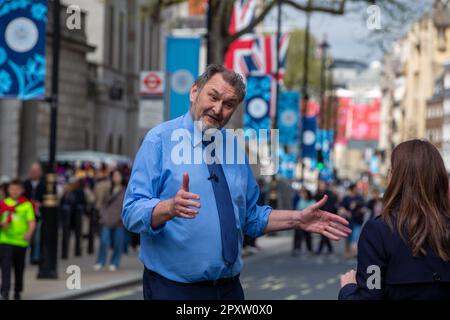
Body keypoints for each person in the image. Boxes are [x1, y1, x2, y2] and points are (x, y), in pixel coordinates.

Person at [122, 64, 351, 300]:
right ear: (194, 92)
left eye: (229, 104)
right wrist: (168, 208)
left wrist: (297, 219)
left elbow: (250, 217)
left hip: (229, 290)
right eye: (213, 96)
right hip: (174, 289)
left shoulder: (233, 147)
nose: (218, 109)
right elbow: (131, 212)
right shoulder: (159, 141)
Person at [339, 139, 450, 300]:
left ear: (398, 178)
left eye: (390, 171)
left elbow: (370, 296)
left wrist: (348, 289)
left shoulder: (379, 231)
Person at [0, 180, 36, 300]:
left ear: (22, 190)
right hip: (5, 240)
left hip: (21, 241)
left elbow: (31, 222)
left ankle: (17, 291)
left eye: (17, 189)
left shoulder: (26, 205)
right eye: (12, 189)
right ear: (8, 190)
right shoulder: (3, 204)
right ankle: (5, 291)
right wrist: (2, 224)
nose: (14, 191)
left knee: (19, 268)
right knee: (5, 267)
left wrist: (29, 233)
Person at [94, 169, 126, 271]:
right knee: (104, 241)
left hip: (119, 222)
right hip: (107, 220)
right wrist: (102, 216)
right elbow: (103, 204)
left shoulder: (125, 191)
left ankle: (114, 262)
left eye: (118, 176)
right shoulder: (108, 190)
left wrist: (122, 218)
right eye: (114, 176)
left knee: (118, 243)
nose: (116, 178)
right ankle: (100, 261)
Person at [23, 163, 45, 265]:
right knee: (28, 236)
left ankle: (35, 257)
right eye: (32, 171)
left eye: (36, 171)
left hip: (39, 213)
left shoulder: (44, 183)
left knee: (37, 237)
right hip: (27, 212)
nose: (34, 173)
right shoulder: (26, 183)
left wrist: (40, 203)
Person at [59, 178, 86, 259]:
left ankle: (78, 251)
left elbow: (83, 202)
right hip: (67, 218)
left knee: (77, 234)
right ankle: (65, 253)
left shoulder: (78, 192)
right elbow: (61, 205)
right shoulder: (65, 194)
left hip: (76, 217)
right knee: (66, 235)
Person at [338, 183, 365, 258]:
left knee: (355, 236)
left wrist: (357, 205)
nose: (357, 189)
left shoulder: (359, 197)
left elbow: (364, 206)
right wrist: (346, 212)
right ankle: (347, 251)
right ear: (352, 189)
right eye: (356, 188)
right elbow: (341, 207)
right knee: (348, 237)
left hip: (357, 220)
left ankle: (354, 252)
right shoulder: (346, 198)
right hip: (348, 221)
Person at [315, 181, 339, 255]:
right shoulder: (318, 194)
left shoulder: (330, 194)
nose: (321, 186)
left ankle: (320, 250)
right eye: (320, 185)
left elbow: (333, 204)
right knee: (324, 233)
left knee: (324, 233)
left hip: (328, 216)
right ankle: (329, 249)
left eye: (322, 185)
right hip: (320, 216)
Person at [292, 188, 315, 257]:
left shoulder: (312, 201)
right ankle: (296, 249)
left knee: (308, 236)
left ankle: (309, 249)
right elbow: (297, 208)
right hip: (299, 221)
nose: (302, 194)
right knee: (297, 236)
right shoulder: (300, 200)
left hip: (308, 222)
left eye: (304, 193)